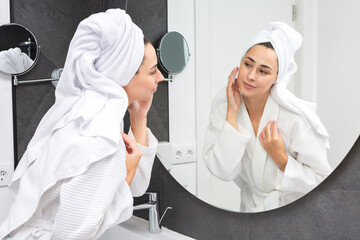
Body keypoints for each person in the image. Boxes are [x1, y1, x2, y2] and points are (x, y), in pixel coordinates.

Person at [0, 8, 164, 239]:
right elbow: (72, 235)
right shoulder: (98, 131)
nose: (160, 78)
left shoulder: (87, 111)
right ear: (125, 74)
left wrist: (139, 116)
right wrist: (125, 176)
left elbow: (136, 187)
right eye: (153, 71)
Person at [203, 22, 332, 213]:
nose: (251, 76)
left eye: (263, 71)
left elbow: (324, 184)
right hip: (251, 213)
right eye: (247, 64)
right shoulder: (225, 111)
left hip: (294, 216)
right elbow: (223, 171)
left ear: (277, 78)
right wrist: (232, 112)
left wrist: (282, 159)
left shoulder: (295, 121)